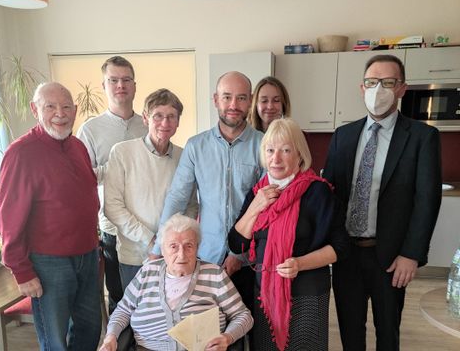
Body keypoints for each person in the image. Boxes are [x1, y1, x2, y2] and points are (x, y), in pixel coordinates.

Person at [323, 54, 442, 350]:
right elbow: (330, 195)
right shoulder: (343, 135)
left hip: (391, 257)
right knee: (350, 332)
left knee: (388, 333)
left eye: (388, 82)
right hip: (346, 254)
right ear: (362, 88)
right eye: (372, 82)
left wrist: (411, 254)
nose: (379, 89)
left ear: (402, 88)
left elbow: (427, 199)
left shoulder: (421, 137)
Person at [228, 118, 348, 351]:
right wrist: (256, 207)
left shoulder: (318, 191)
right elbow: (236, 244)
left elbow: (341, 247)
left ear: (299, 155)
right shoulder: (258, 192)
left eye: (285, 150)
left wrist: (300, 264)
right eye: (270, 150)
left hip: (307, 293)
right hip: (265, 294)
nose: (276, 158)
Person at [0, 82, 101, 350]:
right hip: (48, 263)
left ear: (75, 111)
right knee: (55, 339)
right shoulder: (21, 153)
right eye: (50, 106)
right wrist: (21, 270)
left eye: (66, 106)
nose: (60, 113)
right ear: (35, 109)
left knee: (90, 329)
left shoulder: (77, 146)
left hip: (88, 255)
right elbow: (9, 218)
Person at [151, 71, 264, 311]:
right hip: (205, 258)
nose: (233, 105)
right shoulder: (196, 146)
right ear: (215, 100)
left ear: (250, 100)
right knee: (206, 330)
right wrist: (158, 248)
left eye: (241, 98)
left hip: (249, 260)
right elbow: (178, 198)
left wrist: (240, 256)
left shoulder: (264, 145)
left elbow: (266, 208)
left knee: (245, 329)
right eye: (226, 97)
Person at [98, 213, 253, 351]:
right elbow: (123, 310)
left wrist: (227, 337)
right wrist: (111, 336)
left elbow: (243, 316)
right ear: (163, 250)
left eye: (189, 246)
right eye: (173, 246)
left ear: (197, 248)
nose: (181, 254)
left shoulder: (214, 274)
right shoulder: (147, 272)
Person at [104, 88, 197, 290]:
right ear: (146, 118)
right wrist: (151, 239)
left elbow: (191, 206)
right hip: (134, 257)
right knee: (136, 317)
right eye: (158, 116)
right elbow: (112, 206)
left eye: (171, 117)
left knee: (174, 317)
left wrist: (173, 242)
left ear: (178, 121)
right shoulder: (122, 152)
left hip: (173, 257)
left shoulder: (185, 156)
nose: (165, 123)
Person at [77, 56, 147, 313]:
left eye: (126, 80)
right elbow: (83, 177)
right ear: (104, 85)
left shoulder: (148, 124)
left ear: (135, 85)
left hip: (147, 223)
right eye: (113, 80)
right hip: (113, 227)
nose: (120, 85)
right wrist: (117, 167)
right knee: (119, 295)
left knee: (149, 293)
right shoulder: (90, 129)